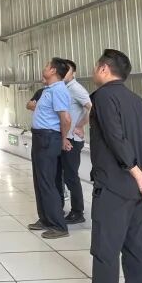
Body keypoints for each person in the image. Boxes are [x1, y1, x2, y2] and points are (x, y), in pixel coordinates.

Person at [64, 48, 142, 283]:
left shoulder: (103, 97)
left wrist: (135, 172)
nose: (95, 72)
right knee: (136, 248)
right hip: (137, 189)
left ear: (104, 69)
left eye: (96, 67)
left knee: (106, 250)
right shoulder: (137, 100)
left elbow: (116, 139)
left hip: (114, 186)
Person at [26, 58, 72, 239]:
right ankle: (45, 219)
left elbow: (65, 119)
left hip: (48, 138)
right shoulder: (48, 89)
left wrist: (63, 138)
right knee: (40, 181)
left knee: (47, 182)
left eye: (46, 66)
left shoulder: (59, 90)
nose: (43, 68)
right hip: (40, 138)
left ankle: (59, 225)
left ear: (53, 70)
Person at [59, 60, 92, 224]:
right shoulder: (64, 88)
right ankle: (63, 207)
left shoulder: (76, 89)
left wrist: (80, 125)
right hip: (64, 138)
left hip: (72, 139)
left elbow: (91, 107)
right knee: (64, 175)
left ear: (74, 73)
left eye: (67, 70)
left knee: (71, 176)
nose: (64, 73)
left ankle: (78, 212)